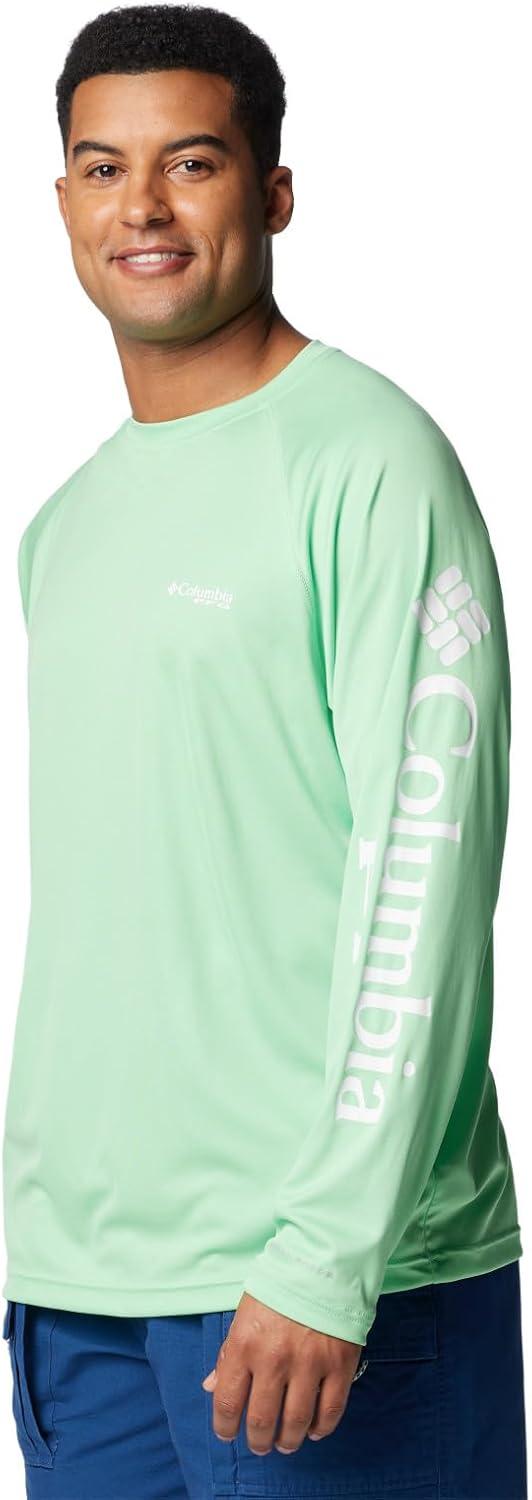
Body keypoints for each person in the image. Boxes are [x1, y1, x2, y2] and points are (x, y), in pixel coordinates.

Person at [1, 5, 527, 1498]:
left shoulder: (371, 463)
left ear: (274, 192)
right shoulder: (66, 523)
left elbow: (425, 868)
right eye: (103, 168)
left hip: (321, 1295)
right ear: (63, 201)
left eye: (192, 163)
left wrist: (326, 1252)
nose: (143, 209)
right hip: (82, 1294)